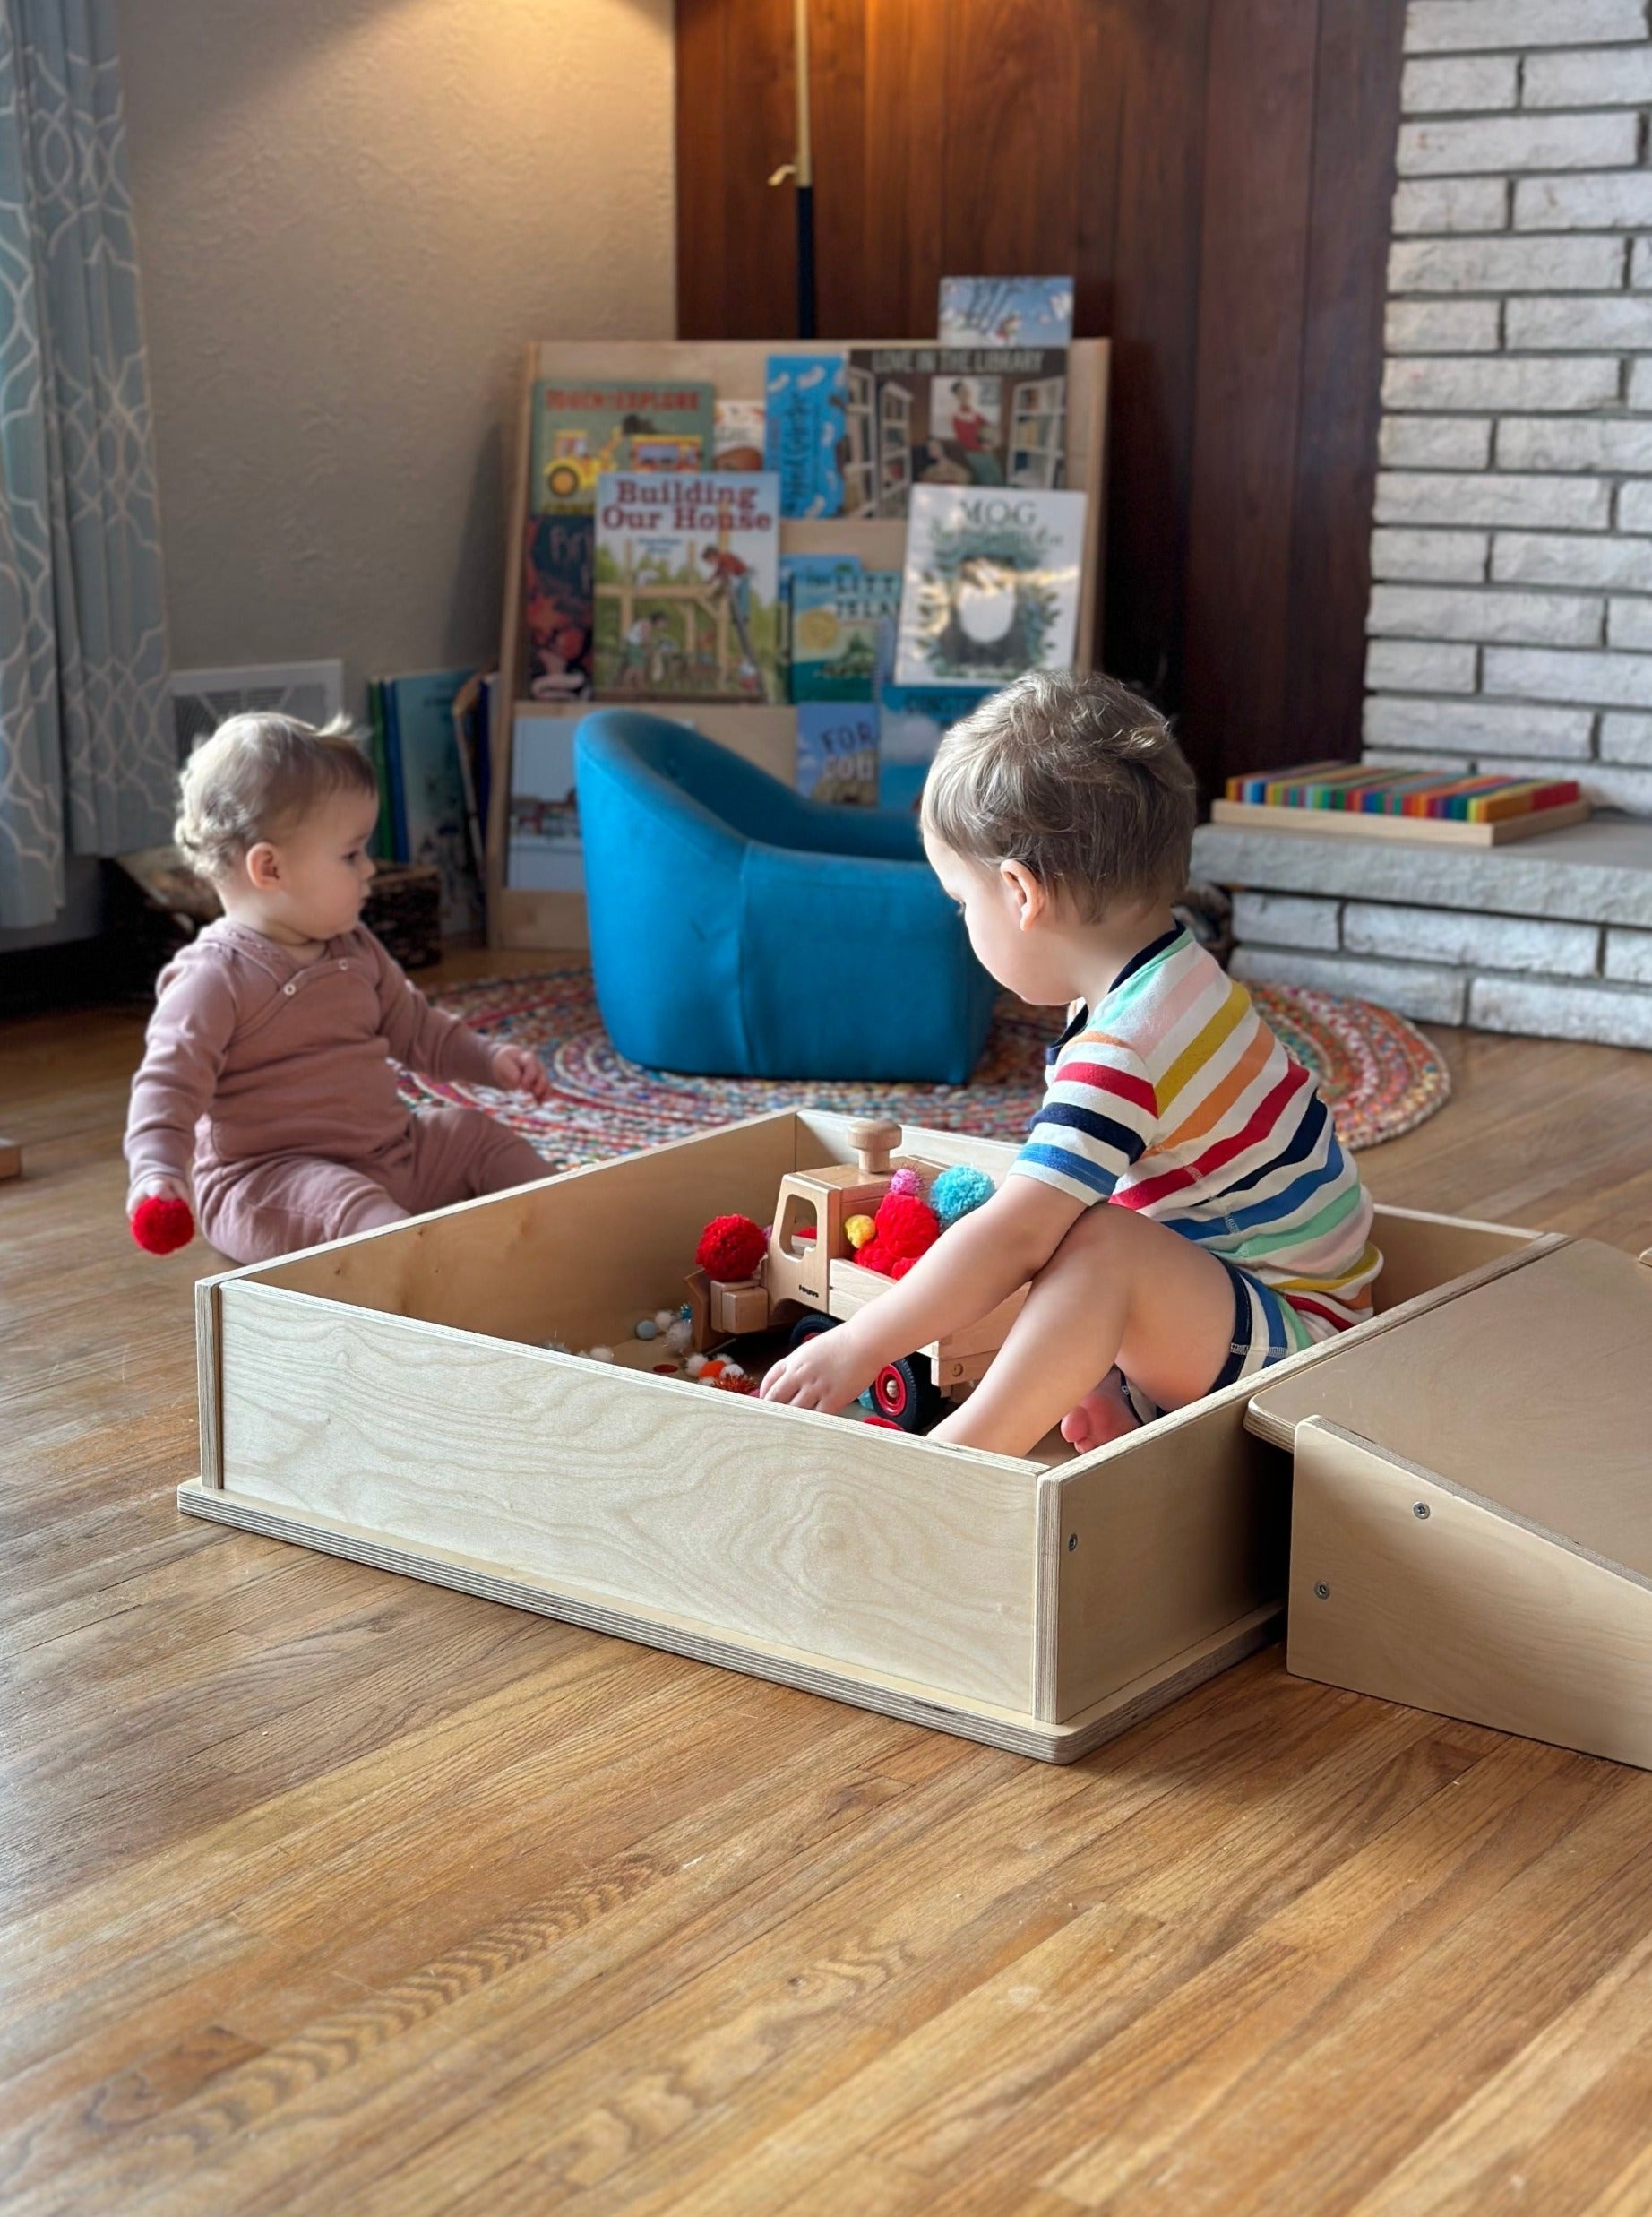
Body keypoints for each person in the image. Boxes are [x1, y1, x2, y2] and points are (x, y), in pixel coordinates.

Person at [760, 669, 1382, 1459]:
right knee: (1070, 1207)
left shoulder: (1125, 1048)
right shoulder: (1175, 973)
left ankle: (958, 1462)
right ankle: (1115, 1396)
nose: (965, 923)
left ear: (1020, 894)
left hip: (1301, 1353)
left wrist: (859, 1343)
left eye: (962, 903)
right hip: (1274, 1305)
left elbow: (1016, 1238)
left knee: (1078, 1238)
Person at [124, 712, 552, 1265]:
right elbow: (167, 1088)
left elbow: (418, 1030)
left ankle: (566, 1223)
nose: (370, 870)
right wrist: (157, 1172)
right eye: (351, 855)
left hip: (392, 1157)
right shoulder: (213, 978)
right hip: (271, 1186)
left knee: (473, 1135)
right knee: (350, 1207)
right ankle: (428, 1279)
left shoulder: (355, 946)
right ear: (270, 868)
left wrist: (491, 1062)